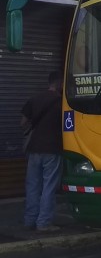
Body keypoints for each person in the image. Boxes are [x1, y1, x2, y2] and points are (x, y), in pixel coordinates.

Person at [21, 71, 63, 232]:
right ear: (59, 83)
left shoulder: (35, 99)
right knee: (49, 186)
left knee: (32, 185)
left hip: (34, 148)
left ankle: (29, 220)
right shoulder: (62, 103)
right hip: (52, 149)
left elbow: (22, 123)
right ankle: (44, 222)